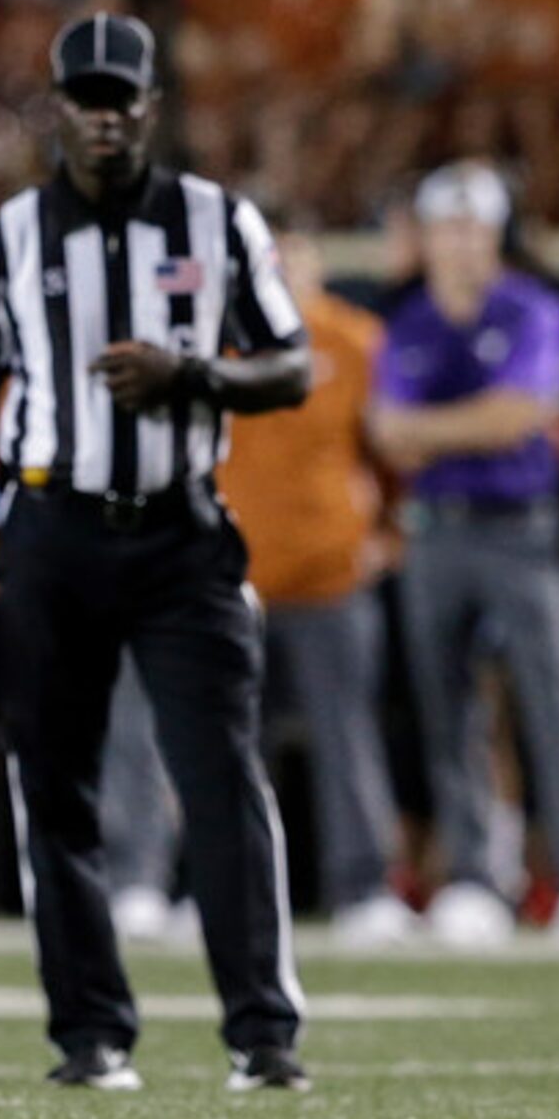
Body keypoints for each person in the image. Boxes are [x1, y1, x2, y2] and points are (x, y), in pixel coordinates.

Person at [0, 14, 314, 1094]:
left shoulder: (213, 221)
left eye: (118, 99)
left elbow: (291, 367)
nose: (100, 118)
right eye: (82, 99)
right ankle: (89, 1033)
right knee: (52, 784)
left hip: (181, 530)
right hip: (49, 529)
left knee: (219, 776)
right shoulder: (2, 237)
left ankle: (260, 1032)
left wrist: (194, 375)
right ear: (57, 109)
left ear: (150, 106)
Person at [374, 162, 559, 949]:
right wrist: (473, 422)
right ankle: (477, 880)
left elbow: (520, 415)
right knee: (447, 707)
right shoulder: (407, 320)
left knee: (552, 704)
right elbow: (387, 432)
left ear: (494, 235)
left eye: (471, 227)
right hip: (437, 529)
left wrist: (436, 430)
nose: (457, 243)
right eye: (444, 227)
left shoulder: (533, 308)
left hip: (522, 528)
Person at [214, 226, 414, 947]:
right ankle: (224, 889)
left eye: (292, 260)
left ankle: (365, 886)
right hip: (234, 576)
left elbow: (395, 450)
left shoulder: (356, 340)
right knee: (228, 743)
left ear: (318, 268)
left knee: (347, 734)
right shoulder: (212, 340)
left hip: (331, 576)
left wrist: (390, 535)